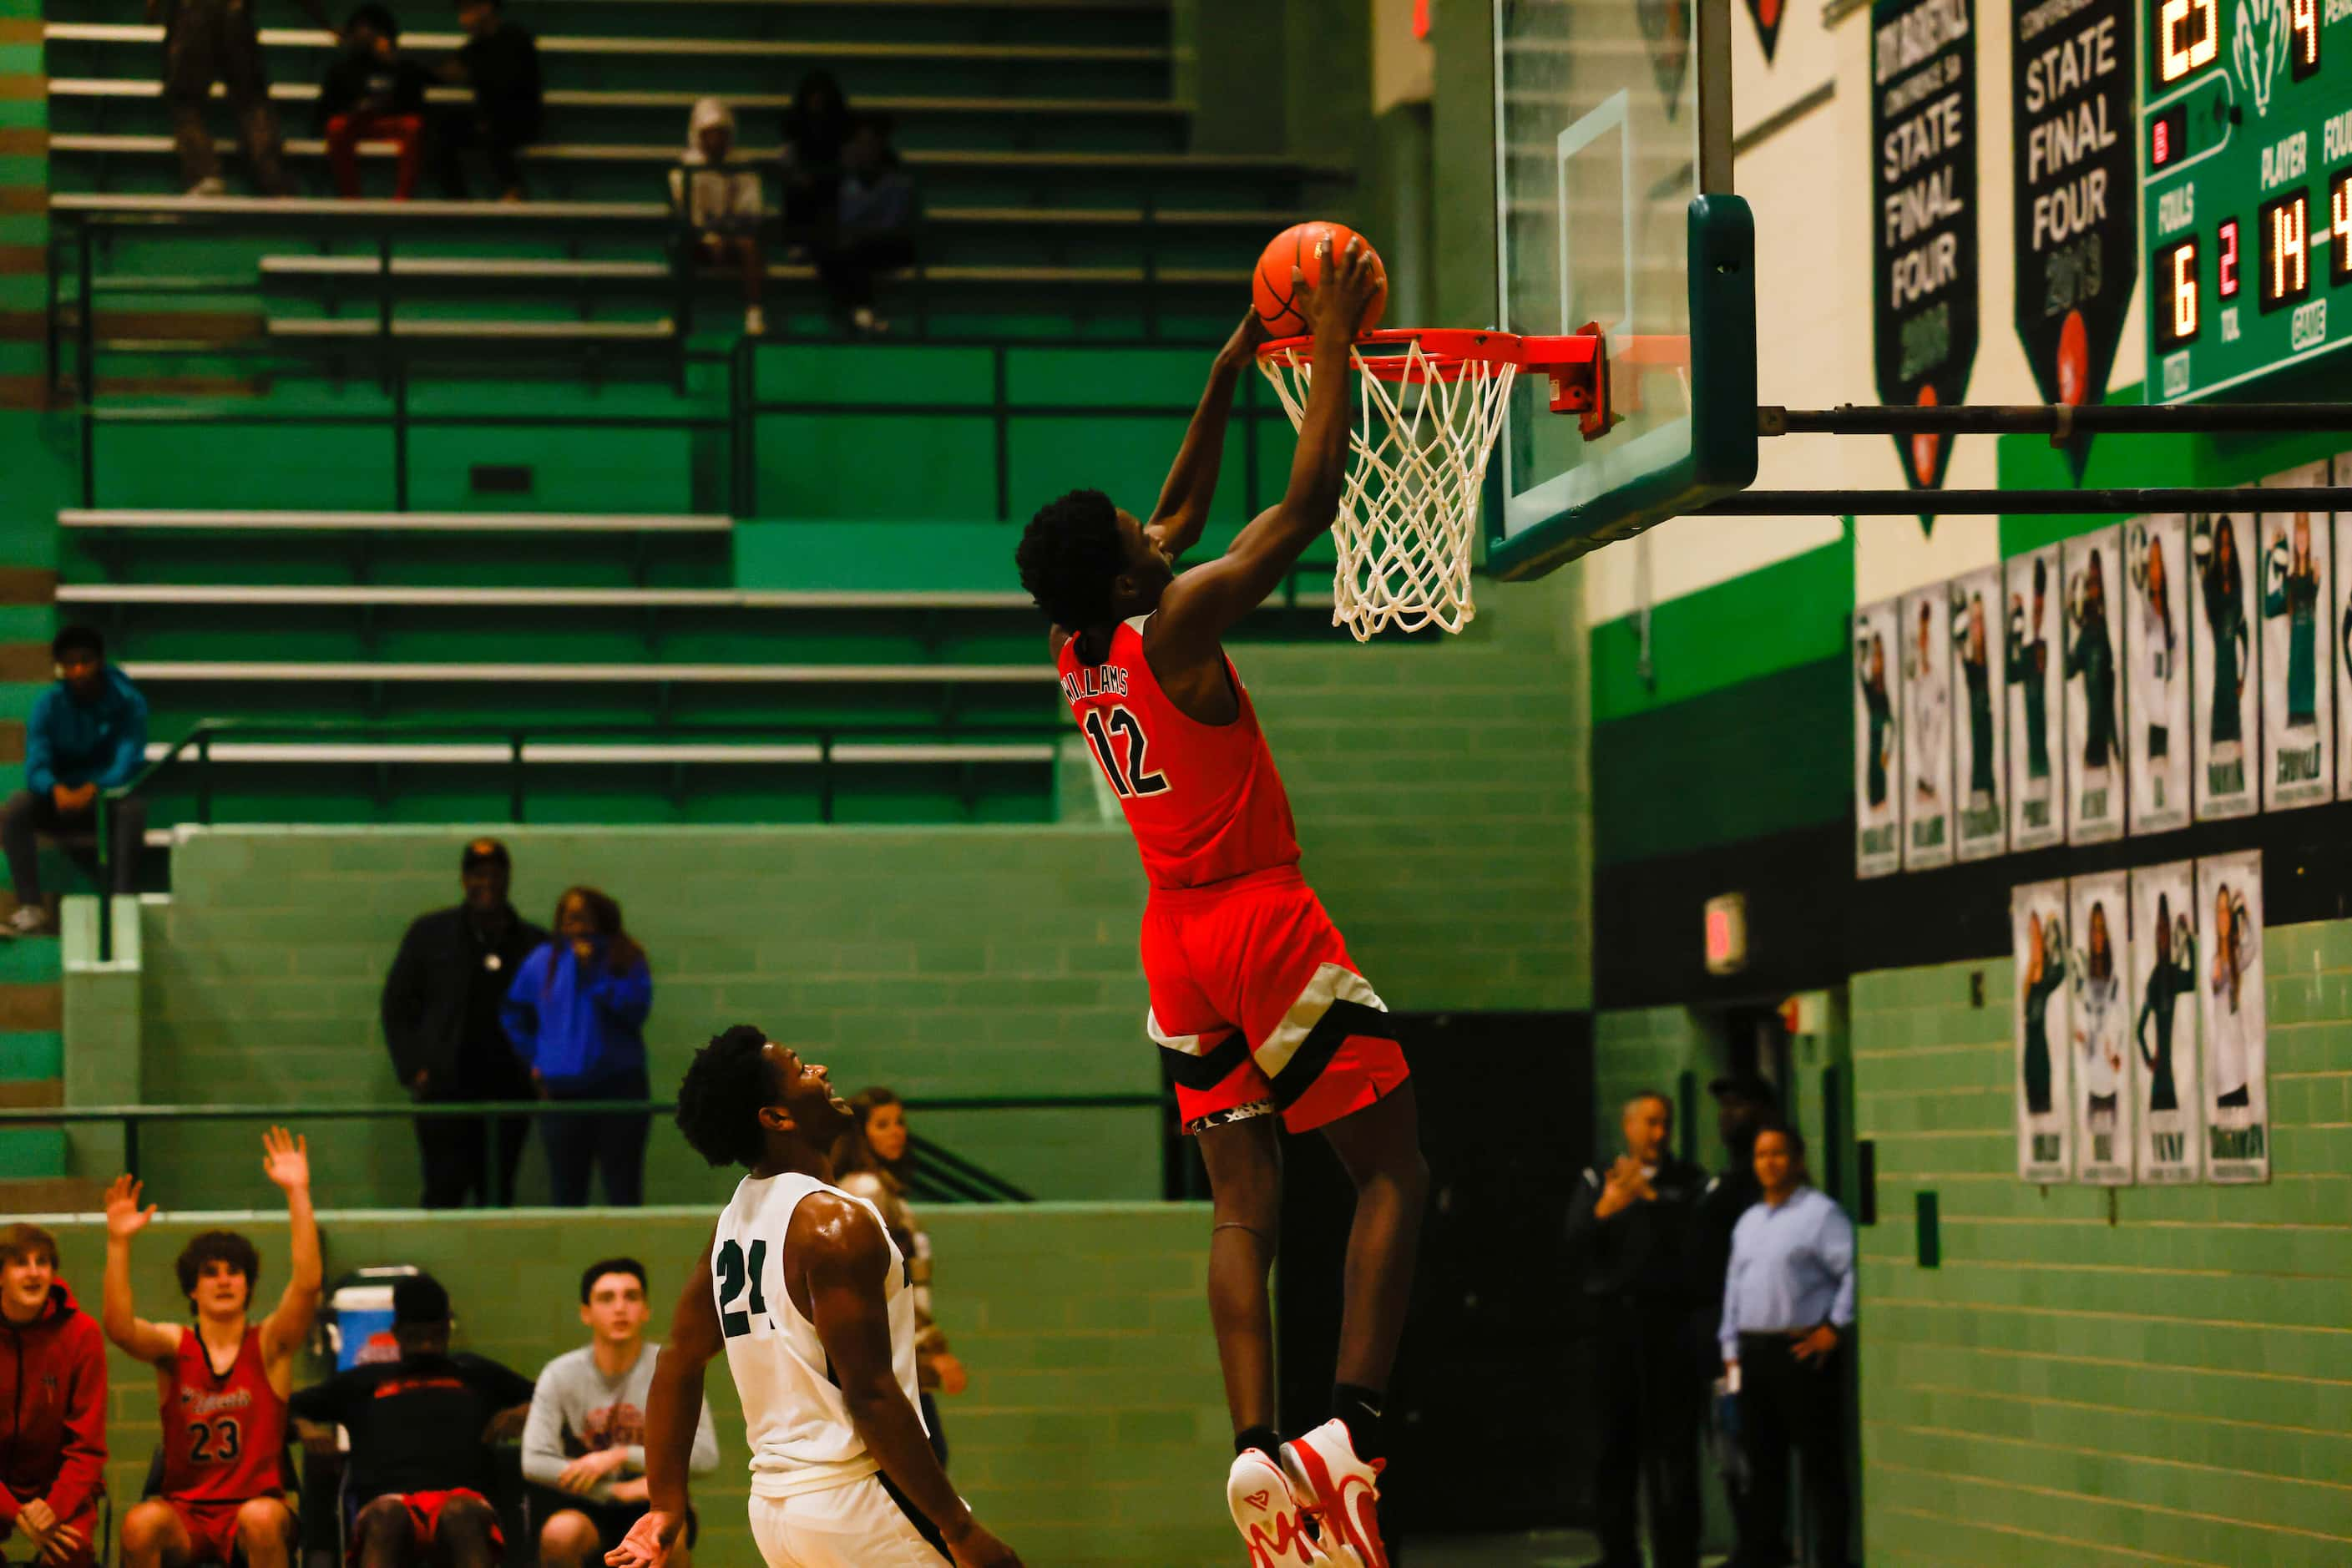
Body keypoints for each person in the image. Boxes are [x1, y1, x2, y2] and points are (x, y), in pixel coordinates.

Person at [1011, 238, 1419, 1568]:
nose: (1152, 527)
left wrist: (1221, 377)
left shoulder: (1081, 641)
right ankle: (1350, 1428)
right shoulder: (1176, 626)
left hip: (1172, 944)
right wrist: (1338, 337)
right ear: (1132, 580)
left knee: (1241, 1202)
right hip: (1257, 917)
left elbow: (1174, 515)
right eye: (1137, 539)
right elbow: (1300, 508)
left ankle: (1255, 1445)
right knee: (1394, 1171)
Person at [606, 1026, 1024, 1568]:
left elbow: (677, 1362)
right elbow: (870, 1394)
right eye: (801, 1068)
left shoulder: (734, 1222)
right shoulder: (833, 1222)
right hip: (858, 1500)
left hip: (778, 1513)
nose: (820, 1071)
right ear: (776, 1118)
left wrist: (666, 1506)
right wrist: (958, 1527)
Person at [104, 1130, 321, 1568]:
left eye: (234, 1271)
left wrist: (298, 1193)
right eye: (211, 1272)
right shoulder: (173, 1345)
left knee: (259, 1517)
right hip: (187, 1514)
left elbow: (308, 1283)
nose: (224, 1280)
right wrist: (118, 1242)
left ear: (248, 1284)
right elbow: (121, 1329)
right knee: (141, 1524)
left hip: (258, 1509)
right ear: (193, 1289)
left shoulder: (270, 1344)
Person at [288, 1276, 537, 1568]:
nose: (427, 1347)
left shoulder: (473, 1372)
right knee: (386, 1517)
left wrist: (524, 1410)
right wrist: (303, 1427)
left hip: (463, 1499)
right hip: (387, 1500)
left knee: (459, 1514)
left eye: (435, 1336)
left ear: (447, 1329)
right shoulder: (366, 1380)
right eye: (416, 1338)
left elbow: (550, 1396)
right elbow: (282, 1408)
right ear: (396, 1333)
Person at [1561, 1091, 1709, 1568]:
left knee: (1674, 1453)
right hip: (1612, 1333)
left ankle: (1677, 1553)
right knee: (1612, 1451)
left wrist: (1646, 1199)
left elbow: (1696, 1244)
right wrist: (1608, 1205)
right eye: (1649, 1122)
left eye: (1665, 1122)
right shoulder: (1597, 1178)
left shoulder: (1689, 1182)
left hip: (1669, 1330)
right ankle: (1618, 1553)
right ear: (1628, 1127)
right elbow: (1574, 1242)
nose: (1658, 1132)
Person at [381, 838, 549, 1209]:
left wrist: (542, 1071)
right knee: (443, 1189)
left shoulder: (534, 943)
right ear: (463, 879)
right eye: (476, 874)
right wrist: (414, 1069)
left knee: (498, 1191)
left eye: (493, 874)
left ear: (507, 878)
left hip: (509, 1090)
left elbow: (553, 1013)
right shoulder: (430, 935)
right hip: (445, 1090)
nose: (484, 883)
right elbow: (397, 1006)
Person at [1719, 1124, 1855, 1568]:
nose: (1769, 1163)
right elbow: (1733, 1290)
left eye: (1778, 1154)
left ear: (1797, 1160)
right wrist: (1730, 1355)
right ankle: (1766, 1556)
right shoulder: (1749, 1221)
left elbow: (1852, 1270)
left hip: (1799, 1353)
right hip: (1752, 1355)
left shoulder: (1820, 1215)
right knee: (1762, 1469)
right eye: (1761, 1155)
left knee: (1820, 1468)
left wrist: (1834, 1327)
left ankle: (1831, 1558)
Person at [524, 1259, 719, 1568]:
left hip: (654, 1500)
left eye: (631, 1297)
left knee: (666, 1544)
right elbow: (534, 1460)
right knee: (560, 1535)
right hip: (586, 1502)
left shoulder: (671, 1367)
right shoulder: (561, 1374)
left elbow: (706, 1455)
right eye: (606, 1298)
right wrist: (613, 1491)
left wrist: (620, 1456)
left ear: (645, 1310)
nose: (620, 1308)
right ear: (585, 1313)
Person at [832, 1089, 967, 1469]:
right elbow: (891, 1280)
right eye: (882, 1125)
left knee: (921, 1462)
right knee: (923, 1462)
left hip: (893, 1351)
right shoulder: (867, 1191)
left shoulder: (880, 1189)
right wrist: (934, 1349)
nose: (896, 1132)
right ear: (861, 1134)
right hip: (886, 1353)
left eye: (900, 1123)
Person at [503, 886, 654, 1206]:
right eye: (569, 919)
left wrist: (596, 977)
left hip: (618, 1087)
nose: (577, 927)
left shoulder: (624, 957)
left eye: (584, 918)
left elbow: (635, 1010)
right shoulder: (543, 962)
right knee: (567, 1191)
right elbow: (513, 1012)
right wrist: (535, 1060)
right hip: (562, 1092)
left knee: (622, 1189)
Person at [2, 627, 149, 938]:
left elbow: (127, 761)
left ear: (100, 661)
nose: (79, 671)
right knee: (15, 809)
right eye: (70, 664)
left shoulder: (129, 702)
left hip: (104, 799)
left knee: (133, 809)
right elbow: (36, 765)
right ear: (60, 668)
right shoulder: (48, 704)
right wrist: (55, 790)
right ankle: (32, 908)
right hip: (61, 800)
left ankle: (120, 905)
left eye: (85, 661)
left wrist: (94, 788)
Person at [1692, 1073, 1776, 1551]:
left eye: (1738, 1106)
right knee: (1727, 1443)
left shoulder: (1758, 1189)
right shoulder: (1720, 1180)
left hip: (1745, 1338)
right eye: (1723, 1107)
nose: (1727, 1116)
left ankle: (1762, 1545)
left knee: (1749, 1444)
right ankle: (1750, 1541)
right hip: (1716, 1336)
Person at [0, 1225, 106, 1568]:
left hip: (58, 1488)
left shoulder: (82, 1334)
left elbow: (88, 1447)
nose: (33, 1273)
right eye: (20, 1263)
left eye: (42, 1262)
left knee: (69, 1551)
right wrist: (15, 1512)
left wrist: (54, 1508)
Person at [157, 0, 335, 196]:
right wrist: (325, 21)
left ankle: (204, 173)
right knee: (252, 100)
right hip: (235, 12)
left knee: (184, 99)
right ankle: (274, 178)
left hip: (193, 12)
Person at [814, 115, 920, 336]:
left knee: (853, 250)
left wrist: (857, 234)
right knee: (831, 251)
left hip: (891, 247)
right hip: (852, 246)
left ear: (880, 148)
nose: (864, 150)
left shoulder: (898, 183)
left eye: (870, 144)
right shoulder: (843, 182)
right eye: (859, 144)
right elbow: (837, 222)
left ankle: (857, 310)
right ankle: (860, 311)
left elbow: (892, 227)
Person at [669, 98, 766, 337]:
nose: (716, 141)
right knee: (679, 245)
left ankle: (754, 313)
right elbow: (689, 215)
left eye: (721, 134)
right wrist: (709, 237)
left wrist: (726, 234)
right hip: (700, 241)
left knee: (750, 246)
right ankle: (679, 315)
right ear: (697, 135)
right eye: (709, 134)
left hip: (734, 240)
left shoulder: (743, 166)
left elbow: (751, 212)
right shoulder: (684, 170)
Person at [431, 0, 541, 201]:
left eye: (467, 10)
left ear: (486, 8)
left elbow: (512, 85)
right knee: (441, 128)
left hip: (520, 120)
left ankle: (514, 187)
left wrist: (472, 74)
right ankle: (458, 200)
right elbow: (446, 70)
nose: (462, 19)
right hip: (489, 121)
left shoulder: (515, 38)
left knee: (492, 123)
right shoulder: (476, 47)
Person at [316, 4, 431, 199]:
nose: (366, 35)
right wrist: (355, 109)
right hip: (357, 123)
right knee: (336, 127)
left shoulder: (403, 66)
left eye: (371, 29)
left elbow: (417, 104)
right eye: (360, 29)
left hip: (391, 122)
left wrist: (392, 63)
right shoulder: (342, 69)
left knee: (414, 127)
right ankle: (351, 198)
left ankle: (403, 199)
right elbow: (325, 111)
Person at [2136, 893, 2195, 1115]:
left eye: (2165, 930)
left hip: (2175, 1068)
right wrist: (2148, 1058)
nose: (2162, 936)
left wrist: (2188, 938)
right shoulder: (2155, 978)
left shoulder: (2171, 973)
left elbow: (2193, 979)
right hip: (2161, 1073)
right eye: (2159, 929)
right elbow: (2139, 1029)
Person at [776, 71, 852, 242]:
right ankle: (799, 243)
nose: (817, 101)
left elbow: (849, 164)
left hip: (835, 189)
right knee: (797, 193)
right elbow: (786, 162)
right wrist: (799, 176)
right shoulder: (794, 127)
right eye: (813, 96)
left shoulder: (843, 128)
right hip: (805, 190)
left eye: (821, 97)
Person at [2065, 548, 2119, 779]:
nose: (2094, 590)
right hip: (2095, 738)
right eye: (2091, 584)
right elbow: (2068, 670)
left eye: (2097, 582)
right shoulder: (2087, 633)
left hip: (2116, 725)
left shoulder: (2114, 624)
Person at [2263, 514, 2321, 730]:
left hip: (2315, 694)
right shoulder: (2290, 584)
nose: (2301, 536)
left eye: (2304, 529)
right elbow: (2267, 608)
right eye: (2298, 530)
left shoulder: (2318, 576)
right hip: (2296, 694)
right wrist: (2269, 554)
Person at [2198, 516, 2248, 758]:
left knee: (2236, 743)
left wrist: (2244, 676)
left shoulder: (2239, 584)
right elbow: (2206, 623)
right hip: (2217, 673)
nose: (2225, 551)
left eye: (2229, 544)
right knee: (2219, 743)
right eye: (2222, 544)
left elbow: (2245, 632)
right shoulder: (2209, 582)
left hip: (2233, 673)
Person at [2073, 903, 2123, 1138]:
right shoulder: (2084, 980)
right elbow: (2085, 1029)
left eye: (2101, 927)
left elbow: (2121, 1028)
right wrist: (2082, 1040)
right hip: (2091, 1085)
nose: (2097, 934)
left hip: (2111, 1085)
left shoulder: (2115, 979)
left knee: (2113, 1152)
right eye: (2093, 928)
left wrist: (2116, 1056)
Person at [2006, 562, 2052, 792]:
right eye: (2034, 608)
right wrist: (2012, 625)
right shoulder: (2026, 653)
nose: (2037, 612)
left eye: (2040, 606)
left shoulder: (2051, 646)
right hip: (2035, 768)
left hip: (2055, 762)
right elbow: (2010, 675)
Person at [2208, 886, 2253, 1110]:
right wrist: (2217, 978)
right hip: (2222, 1077)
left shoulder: (2236, 957)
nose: (2224, 916)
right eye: (2220, 910)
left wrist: (2245, 914)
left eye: (2227, 910)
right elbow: (2215, 987)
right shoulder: (2214, 960)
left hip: (2240, 1073)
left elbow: (2251, 948)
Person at [2138, 531, 2177, 764]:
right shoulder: (2142, 608)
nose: (2154, 570)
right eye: (2151, 562)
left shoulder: (2172, 613)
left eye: (2158, 562)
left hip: (2168, 711)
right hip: (2148, 715)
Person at [2021, 910, 2061, 1117]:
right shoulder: (2028, 981)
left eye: (2037, 936)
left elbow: (2061, 969)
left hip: (2042, 1057)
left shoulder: (2049, 979)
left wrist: (2054, 924)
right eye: (2032, 936)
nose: (2034, 942)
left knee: (2045, 1111)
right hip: (2030, 1059)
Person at [1959, 594, 1994, 804]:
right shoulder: (1967, 670)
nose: (1976, 627)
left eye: (1980, 620)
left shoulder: (1996, 668)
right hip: (1976, 783)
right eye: (1973, 621)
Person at [1857, 634, 1890, 813]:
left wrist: (1886, 752)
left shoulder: (1886, 690)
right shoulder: (1869, 687)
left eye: (1879, 655)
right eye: (1874, 655)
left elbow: (1891, 725)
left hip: (1880, 751)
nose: (1876, 660)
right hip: (1871, 746)